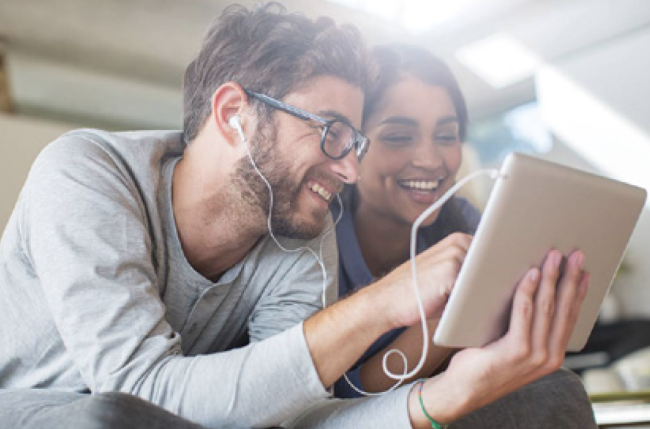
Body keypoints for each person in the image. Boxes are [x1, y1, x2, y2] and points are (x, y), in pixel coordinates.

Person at [0, 3, 590, 429]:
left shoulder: (299, 231)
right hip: (51, 407)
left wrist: (439, 399)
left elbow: (296, 414)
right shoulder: (86, 173)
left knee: (541, 399)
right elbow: (137, 392)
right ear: (234, 114)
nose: (350, 171)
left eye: (355, 142)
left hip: (184, 417)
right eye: (333, 133)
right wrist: (382, 302)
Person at [330, 43, 597, 426]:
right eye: (398, 136)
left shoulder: (460, 220)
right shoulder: (319, 241)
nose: (431, 160)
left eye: (446, 135)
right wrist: (452, 315)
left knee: (556, 388)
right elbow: (336, 402)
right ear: (352, 146)